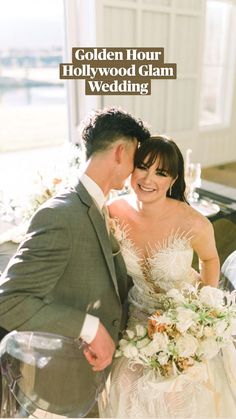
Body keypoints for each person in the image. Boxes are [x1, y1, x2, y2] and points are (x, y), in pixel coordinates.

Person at [0, 107, 150, 415]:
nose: (138, 170)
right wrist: (90, 328)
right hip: (60, 385)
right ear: (121, 152)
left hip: (96, 378)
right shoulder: (61, 214)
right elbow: (9, 301)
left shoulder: (101, 205)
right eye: (137, 157)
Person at [99, 136, 236, 418]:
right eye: (143, 167)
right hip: (139, 314)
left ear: (173, 179)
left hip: (185, 316)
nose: (148, 179)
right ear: (131, 170)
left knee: (178, 389)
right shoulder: (114, 211)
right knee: (127, 382)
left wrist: (201, 311)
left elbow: (210, 259)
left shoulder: (192, 221)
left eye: (160, 173)